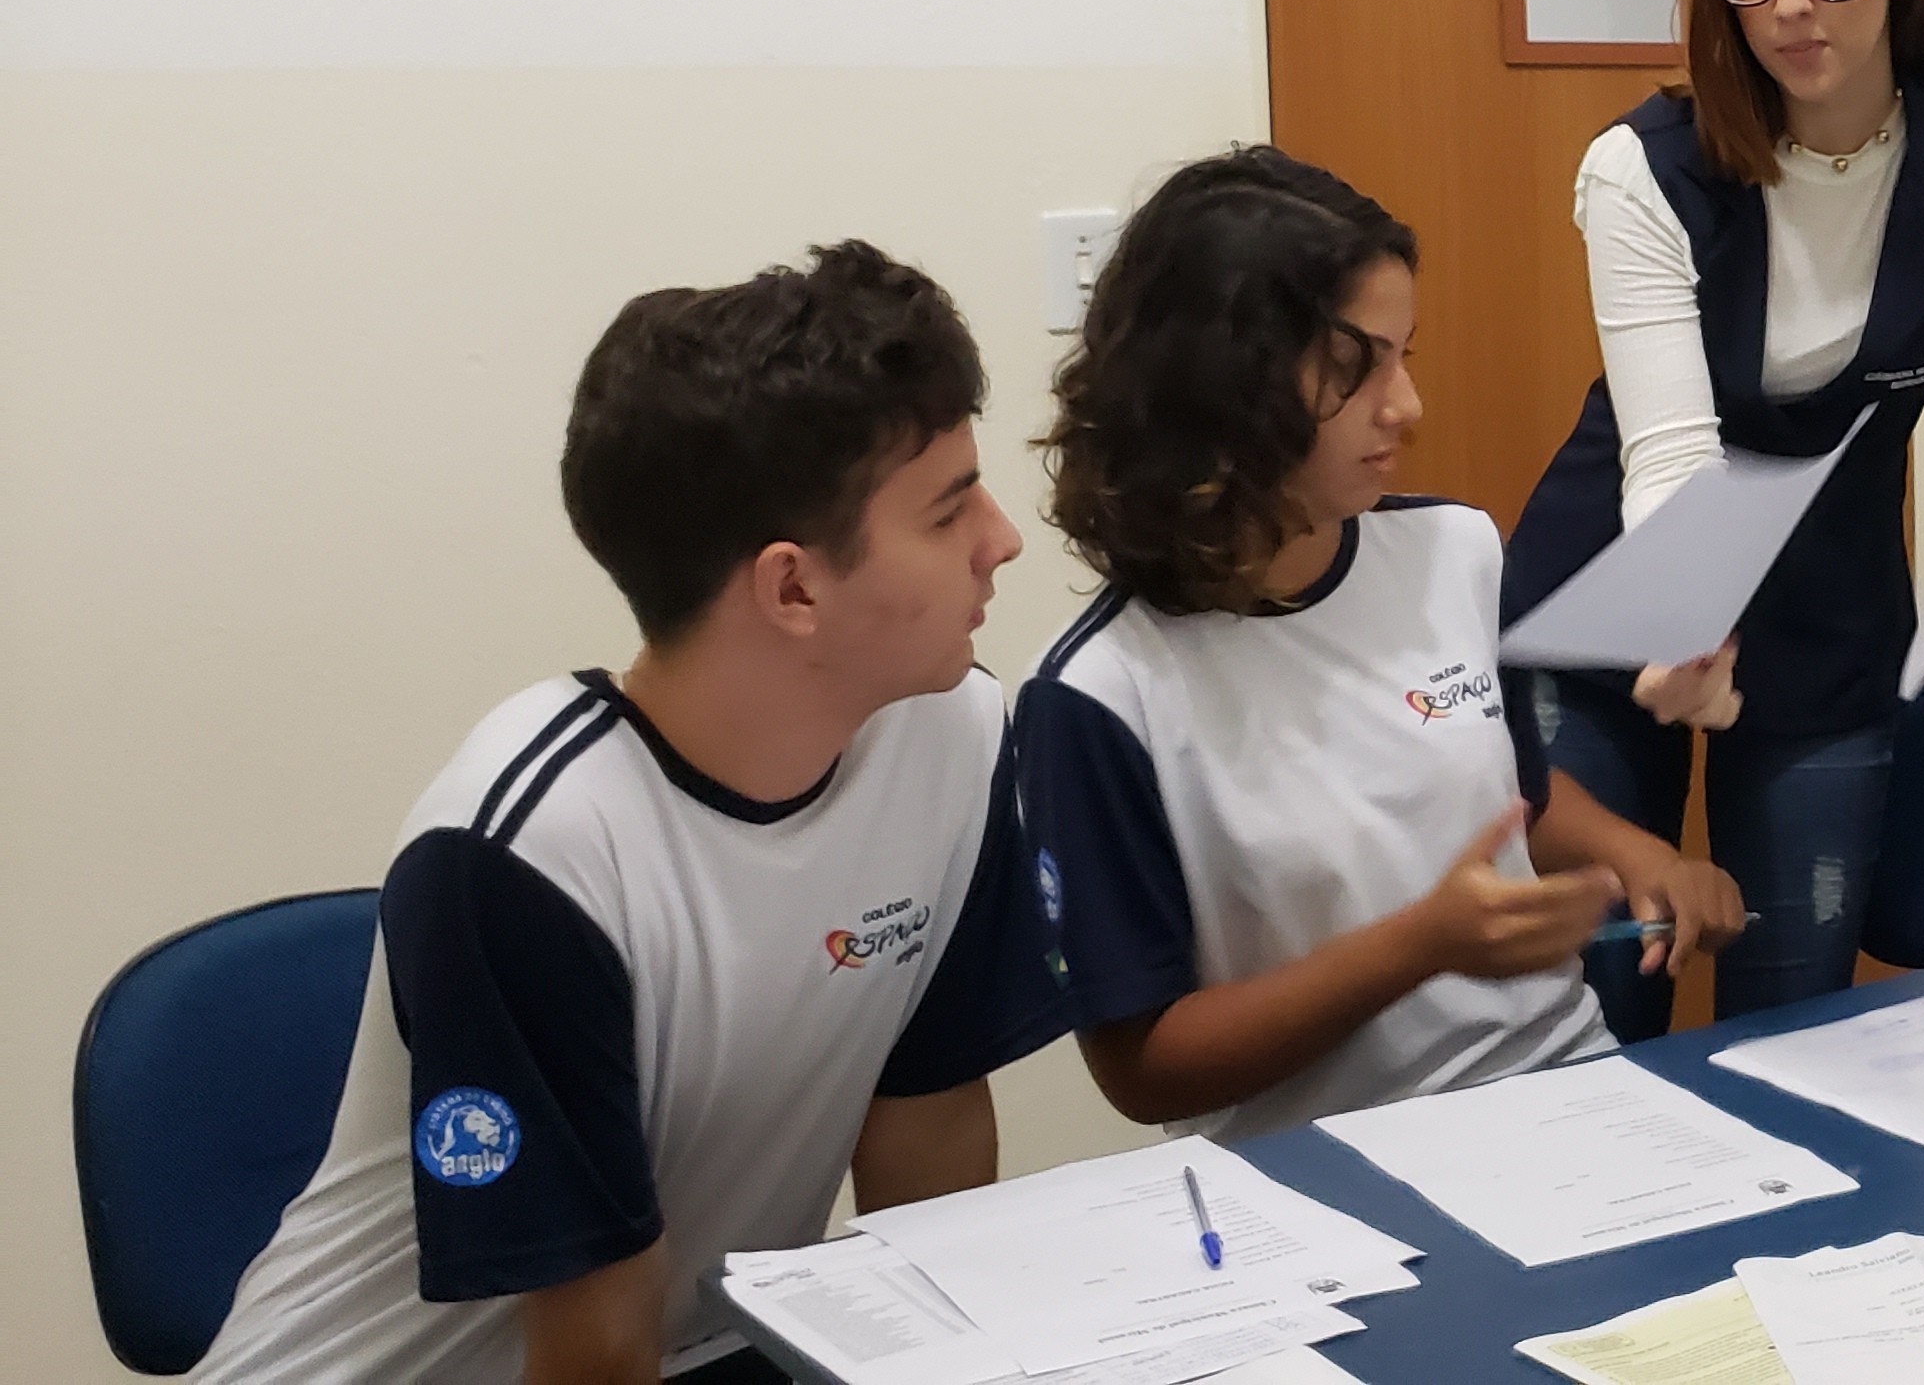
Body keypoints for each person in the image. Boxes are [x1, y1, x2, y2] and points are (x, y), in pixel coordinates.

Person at [199, 245, 1064, 1385]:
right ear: (793, 587)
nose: (1003, 538)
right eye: (951, 510)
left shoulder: (950, 734)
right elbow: (590, 1344)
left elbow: (931, 1135)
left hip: (704, 1353)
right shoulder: (529, 850)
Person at [1503, 0, 1924, 1037]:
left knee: (1799, 1023)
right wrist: (1684, 619)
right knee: (1600, 1012)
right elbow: (1670, 453)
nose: (1790, 5)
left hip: (1829, 617)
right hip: (1617, 611)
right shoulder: (1644, 167)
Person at [1018, 147, 1745, 1138]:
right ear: (1221, 386)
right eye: (1357, 370)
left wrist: (1639, 855)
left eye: (1407, 356)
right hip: (1320, 1164)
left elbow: (1513, 798)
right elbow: (1144, 1068)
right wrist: (1421, 945)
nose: (1407, 406)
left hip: (1566, 1083)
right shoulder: (1101, 691)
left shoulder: (1454, 548)